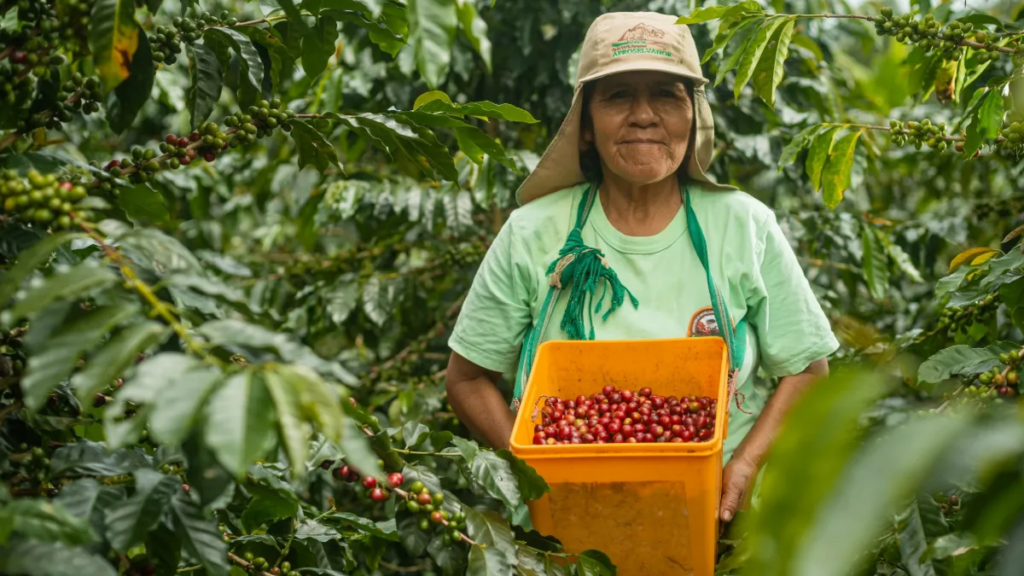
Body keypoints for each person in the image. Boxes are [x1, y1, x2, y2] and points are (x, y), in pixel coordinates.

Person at [443, 11, 839, 526]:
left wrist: (741, 468)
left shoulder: (744, 226)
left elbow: (809, 370)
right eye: (618, 95)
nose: (644, 115)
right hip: (567, 527)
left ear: (693, 116)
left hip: (714, 525)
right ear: (585, 126)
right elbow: (467, 378)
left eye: (667, 95)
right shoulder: (532, 232)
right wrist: (533, 475)